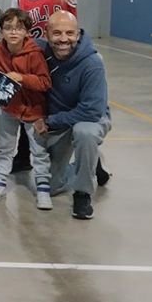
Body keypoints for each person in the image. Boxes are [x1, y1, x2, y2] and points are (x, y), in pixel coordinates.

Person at [10, 0, 103, 178]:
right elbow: (15, 28)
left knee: (76, 105)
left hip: (68, 53)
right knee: (32, 102)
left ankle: (96, 164)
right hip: (41, 57)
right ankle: (23, 156)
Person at [34, 11, 110, 220]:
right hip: (60, 122)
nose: (63, 39)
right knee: (50, 187)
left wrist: (50, 121)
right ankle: (93, 163)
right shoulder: (39, 51)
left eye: (70, 33)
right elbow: (11, 42)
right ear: (47, 34)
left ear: (78, 34)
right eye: (56, 33)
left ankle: (83, 193)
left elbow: (93, 110)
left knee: (84, 133)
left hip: (89, 119)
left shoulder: (92, 63)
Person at [0, 9, 52, 209]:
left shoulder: (35, 54)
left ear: (27, 32)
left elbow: (45, 82)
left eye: (19, 28)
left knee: (39, 150)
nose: (13, 32)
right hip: (8, 107)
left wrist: (22, 78)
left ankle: (43, 187)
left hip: (34, 110)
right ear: (1, 31)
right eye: (8, 28)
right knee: (4, 147)